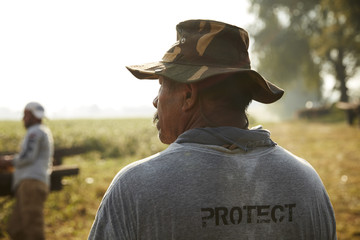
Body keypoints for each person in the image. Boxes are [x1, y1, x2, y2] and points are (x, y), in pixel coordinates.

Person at [89, 19, 337, 239]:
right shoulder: (306, 183)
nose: (156, 101)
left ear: (188, 94)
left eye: (162, 85)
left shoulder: (134, 189)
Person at [1, 102, 54, 240]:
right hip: (30, 183)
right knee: (16, 228)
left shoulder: (35, 132)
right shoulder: (41, 131)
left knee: (32, 229)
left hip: (31, 183)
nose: (23, 119)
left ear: (34, 116)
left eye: (26, 115)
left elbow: (27, 157)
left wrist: (7, 161)